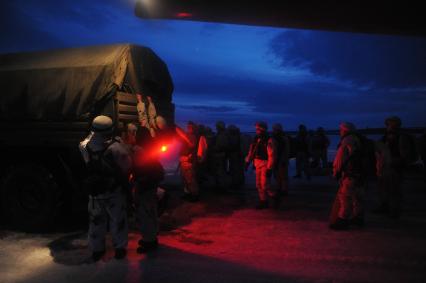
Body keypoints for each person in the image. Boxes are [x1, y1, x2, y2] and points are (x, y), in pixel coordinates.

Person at [79, 115, 132, 261]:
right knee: (118, 220)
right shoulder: (116, 147)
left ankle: (97, 250)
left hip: (95, 193)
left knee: (96, 221)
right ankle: (119, 248)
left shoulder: (84, 146)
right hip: (113, 191)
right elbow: (127, 166)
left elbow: (89, 138)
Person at [132, 127, 165, 253]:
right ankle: (152, 237)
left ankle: (149, 241)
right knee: (151, 210)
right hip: (152, 183)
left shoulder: (138, 150)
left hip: (144, 184)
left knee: (145, 213)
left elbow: (138, 167)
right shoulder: (152, 146)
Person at [374, 116, 413, 218]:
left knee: (395, 190)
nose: (387, 126)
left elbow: (405, 154)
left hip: (394, 168)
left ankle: (395, 210)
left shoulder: (401, 137)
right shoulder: (386, 136)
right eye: (387, 124)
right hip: (385, 167)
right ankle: (385, 206)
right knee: (384, 188)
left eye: (388, 124)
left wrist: (394, 162)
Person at [330, 122, 364, 230]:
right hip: (360, 173)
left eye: (341, 130)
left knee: (345, 196)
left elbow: (340, 159)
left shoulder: (347, 140)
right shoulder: (359, 140)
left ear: (344, 130)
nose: (340, 132)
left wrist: (336, 172)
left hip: (350, 174)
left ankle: (343, 219)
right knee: (357, 196)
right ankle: (358, 217)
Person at [245, 121, 277, 209]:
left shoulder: (269, 140)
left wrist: (269, 168)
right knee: (258, 184)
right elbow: (251, 151)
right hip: (257, 162)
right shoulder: (256, 139)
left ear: (262, 129)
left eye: (258, 129)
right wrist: (248, 161)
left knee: (265, 184)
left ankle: (273, 196)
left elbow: (271, 154)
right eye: (256, 129)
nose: (256, 130)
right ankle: (263, 201)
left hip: (265, 163)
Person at [176, 121, 200, 202]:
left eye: (191, 127)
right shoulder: (187, 136)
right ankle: (188, 193)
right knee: (185, 179)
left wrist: (176, 128)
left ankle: (194, 195)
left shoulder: (193, 137)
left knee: (190, 179)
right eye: (188, 126)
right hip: (184, 160)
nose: (189, 128)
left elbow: (191, 144)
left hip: (188, 161)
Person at [271, 123, 290, 196]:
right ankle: (280, 188)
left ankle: (283, 190)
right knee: (278, 175)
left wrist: (284, 160)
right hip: (277, 160)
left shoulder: (283, 138)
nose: (273, 131)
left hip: (281, 160)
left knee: (283, 176)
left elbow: (286, 150)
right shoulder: (276, 138)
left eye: (274, 129)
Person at [212, 121, 229, 192]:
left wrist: (214, 149)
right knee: (220, 171)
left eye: (217, 127)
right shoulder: (222, 134)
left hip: (220, 156)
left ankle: (221, 187)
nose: (216, 128)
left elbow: (222, 146)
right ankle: (220, 186)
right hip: (220, 155)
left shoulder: (222, 135)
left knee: (220, 171)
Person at [227, 125, 245, 190]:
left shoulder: (235, 137)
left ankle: (236, 183)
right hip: (239, 155)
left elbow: (233, 146)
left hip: (236, 155)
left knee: (235, 169)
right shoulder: (239, 136)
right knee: (239, 169)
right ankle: (240, 182)